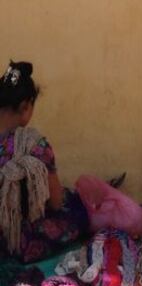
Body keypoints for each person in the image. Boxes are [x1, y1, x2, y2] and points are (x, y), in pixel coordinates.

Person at [0, 61, 89, 262]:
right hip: (16, 241)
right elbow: (56, 202)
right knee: (77, 211)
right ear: (25, 106)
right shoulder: (35, 145)